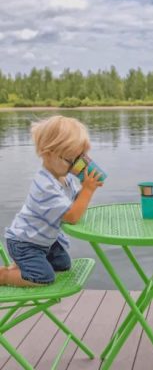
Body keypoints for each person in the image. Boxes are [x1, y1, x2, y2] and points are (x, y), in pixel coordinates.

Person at [0, 115, 103, 286]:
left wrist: (85, 187)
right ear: (48, 155)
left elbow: (74, 205)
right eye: (71, 160)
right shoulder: (45, 186)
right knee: (44, 277)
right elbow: (71, 216)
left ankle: (24, 265)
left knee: (63, 265)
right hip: (25, 242)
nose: (75, 166)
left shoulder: (64, 178)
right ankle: (4, 275)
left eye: (79, 159)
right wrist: (88, 189)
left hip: (45, 241)